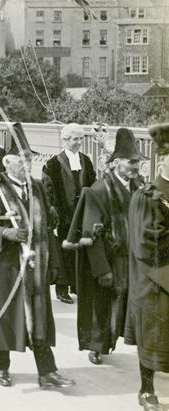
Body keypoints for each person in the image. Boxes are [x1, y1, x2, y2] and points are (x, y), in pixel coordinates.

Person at [0, 146, 75, 389]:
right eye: (22, 159)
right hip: (5, 266)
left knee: (39, 318)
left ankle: (47, 371)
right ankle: (2, 368)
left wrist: (54, 263)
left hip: (35, 265)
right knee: (5, 318)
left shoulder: (37, 189)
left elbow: (49, 229)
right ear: (7, 162)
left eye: (30, 158)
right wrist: (7, 232)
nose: (28, 163)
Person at [65, 128, 144, 365]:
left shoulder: (138, 187)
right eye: (131, 162)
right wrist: (102, 270)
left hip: (133, 259)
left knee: (131, 304)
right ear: (116, 162)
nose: (135, 167)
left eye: (137, 162)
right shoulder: (99, 190)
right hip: (108, 260)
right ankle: (97, 346)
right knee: (102, 306)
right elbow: (92, 234)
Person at [125, 122, 169, 411]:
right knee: (153, 335)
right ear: (163, 160)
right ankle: (146, 390)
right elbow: (146, 242)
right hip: (154, 279)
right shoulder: (148, 196)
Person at [42, 123, 96, 304]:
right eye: (75, 139)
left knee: (81, 250)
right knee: (63, 250)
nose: (79, 142)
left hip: (82, 213)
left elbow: (93, 184)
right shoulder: (52, 164)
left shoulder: (86, 161)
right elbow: (47, 191)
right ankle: (62, 289)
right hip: (63, 215)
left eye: (81, 138)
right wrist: (54, 213)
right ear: (65, 140)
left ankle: (77, 285)